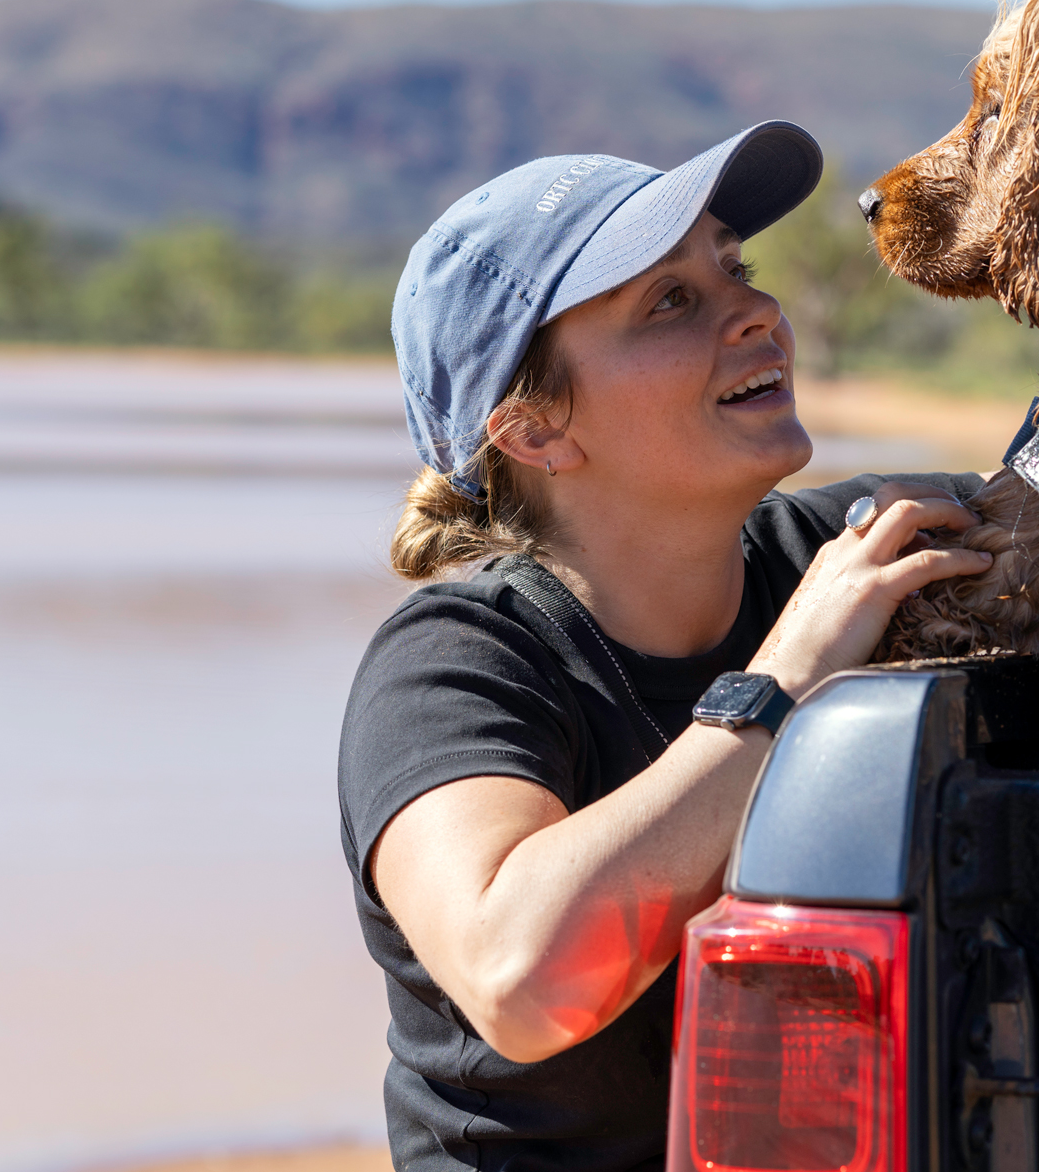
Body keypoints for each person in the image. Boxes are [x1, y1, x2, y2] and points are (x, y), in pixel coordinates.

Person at [338, 121, 995, 1171]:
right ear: (538, 430)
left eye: (734, 269)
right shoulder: (457, 663)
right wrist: (789, 677)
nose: (758, 315)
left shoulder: (842, 555)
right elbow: (520, 979)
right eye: (672, 301)